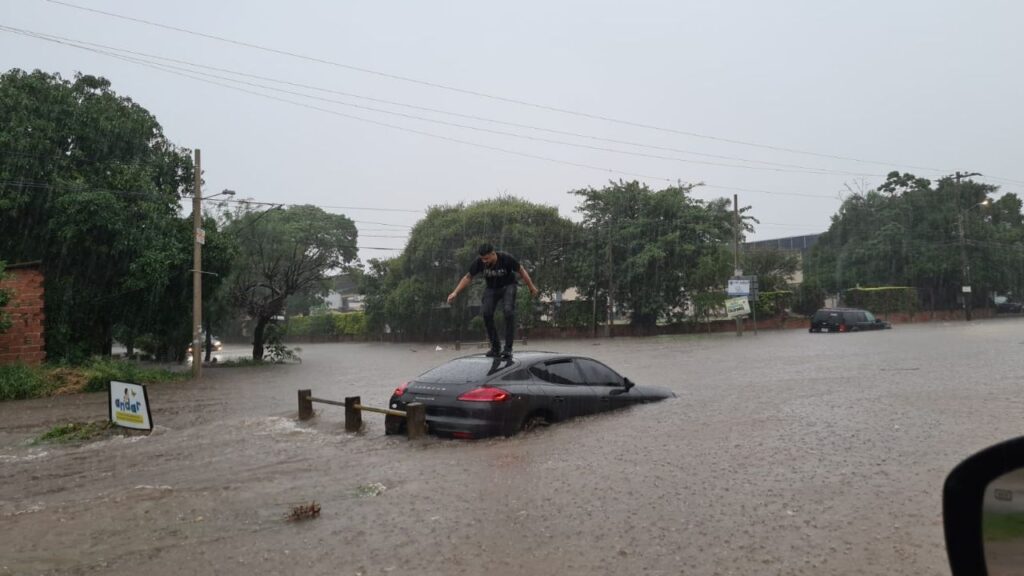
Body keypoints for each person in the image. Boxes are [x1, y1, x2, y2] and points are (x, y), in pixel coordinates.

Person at [447, 243, 539, 358]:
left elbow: (521, 271)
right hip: (492, 289)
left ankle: (508, 348)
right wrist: (455, 292)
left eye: (486, 258)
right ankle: (495, 348)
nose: (484, 261)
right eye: (482, 259)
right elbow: (468, 277)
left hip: (508, 286)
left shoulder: (506, 258)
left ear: (493, 254)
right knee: (486, 313)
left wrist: (531, 287)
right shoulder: (479, 262)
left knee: (508, 311)